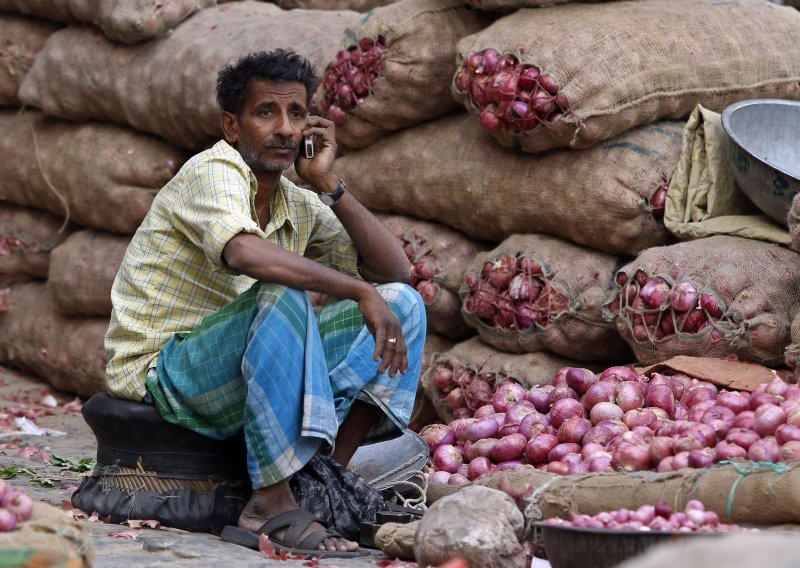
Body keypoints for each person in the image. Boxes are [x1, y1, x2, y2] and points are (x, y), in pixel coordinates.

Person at [104, 49, 426, 556]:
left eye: (296, 114)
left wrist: (327, 183)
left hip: (237, 364)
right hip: (167, 370)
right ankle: (269, 505)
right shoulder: (212, 172)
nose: (283, 129)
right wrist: (359, 292)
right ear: (232, 126)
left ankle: (323, 483)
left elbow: (392, 271)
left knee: (403, 303)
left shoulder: (295, 201)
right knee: (279, 290)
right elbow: (246, 253)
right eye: (265, 113)